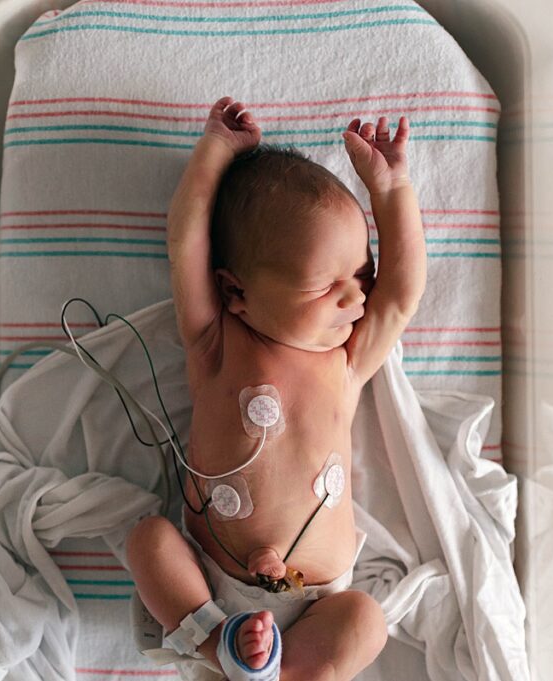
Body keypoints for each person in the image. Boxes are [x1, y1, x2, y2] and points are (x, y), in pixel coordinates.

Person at [126, 96, 426, 681]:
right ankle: (224, 647)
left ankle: (276, 674)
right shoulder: (216, 341)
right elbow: (186, 239)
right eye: (326, 287)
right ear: (236, 291)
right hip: (208, 586)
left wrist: (391, 191)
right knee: (148, 541)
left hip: (316, 604)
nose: (356, 299)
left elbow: (402, 294)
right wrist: (215, 152)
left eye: (362, 275)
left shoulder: (346, 359)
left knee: (365, 619)